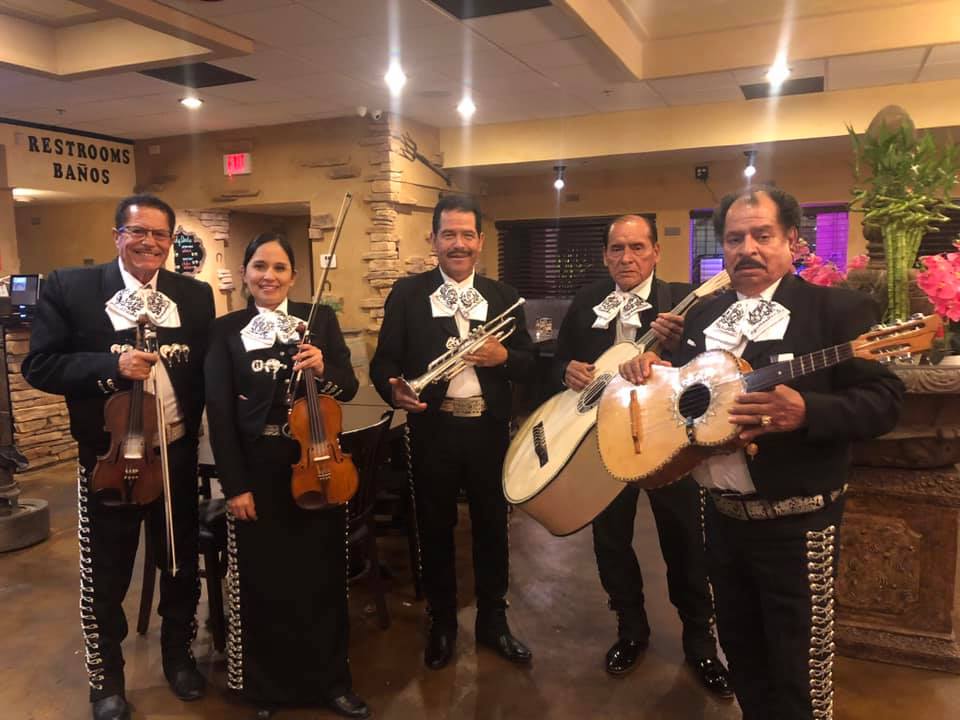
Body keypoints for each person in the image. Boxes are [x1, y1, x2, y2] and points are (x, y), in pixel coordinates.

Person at [620, 186, 904, 719]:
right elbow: (686, 402)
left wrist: (809, 412)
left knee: (800, 674)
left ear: (792, 242)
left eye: (762, 235)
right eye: (734, 238)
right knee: (744, 659)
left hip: (799, 527)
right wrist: (650, 372)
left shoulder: (836, 308)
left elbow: (885, 402)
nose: (746, 249)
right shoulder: (705, 321)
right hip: (721, 521)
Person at [22, 194, 214, 720]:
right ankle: (106, 680)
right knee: (107, 573)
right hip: (110, 458)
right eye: (137, 232)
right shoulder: (71, 288)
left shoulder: (194, 297)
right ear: (117, 236)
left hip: (174, 453)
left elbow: (203, 372)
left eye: (160, 235)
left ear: (171, 242)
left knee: (177, 565)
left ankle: (178, 658)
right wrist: (110, 369)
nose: (149, 242)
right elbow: (39, 366)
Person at [555, 215, 731, 696]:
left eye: (636, 247)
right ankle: (630, 629)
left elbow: (710, 371)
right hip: (601, 442)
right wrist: (564, 369)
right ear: (605, 254)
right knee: (610, 541)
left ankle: (700, 642)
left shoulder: (683, 302)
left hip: (665, 441)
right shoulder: (589, 300)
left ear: (656, 252)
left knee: (684, 542)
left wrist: (672, 357)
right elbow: (557, 357)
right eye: (616, 249)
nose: (625, 258)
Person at [204, 233, 368, 719]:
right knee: (263, 580)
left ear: (295, 276)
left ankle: (331, 681)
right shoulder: (226, 329)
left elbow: (349, 386)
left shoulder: (320, 320)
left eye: (279, 268)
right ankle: (266, 686)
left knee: (322, 577)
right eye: (259, 266)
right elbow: (219, 411)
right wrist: (235, 485)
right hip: (259, 465)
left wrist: (325, 366)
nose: (268, 276)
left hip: (317, 459)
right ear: (245, 272)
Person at [370, 194, 535, 670]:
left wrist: (504, 358)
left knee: (492, 527)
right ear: (434, 239)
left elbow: (528, 363)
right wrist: (392, 389)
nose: (458, 244)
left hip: (488, 429)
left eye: (467, 235)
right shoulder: (407, 293)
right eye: (449, 234)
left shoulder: (503, 297)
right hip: (433, 429)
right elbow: (385, 361)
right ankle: (442, 621)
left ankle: (493, 621)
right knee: (434, 528)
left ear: (480, 241)